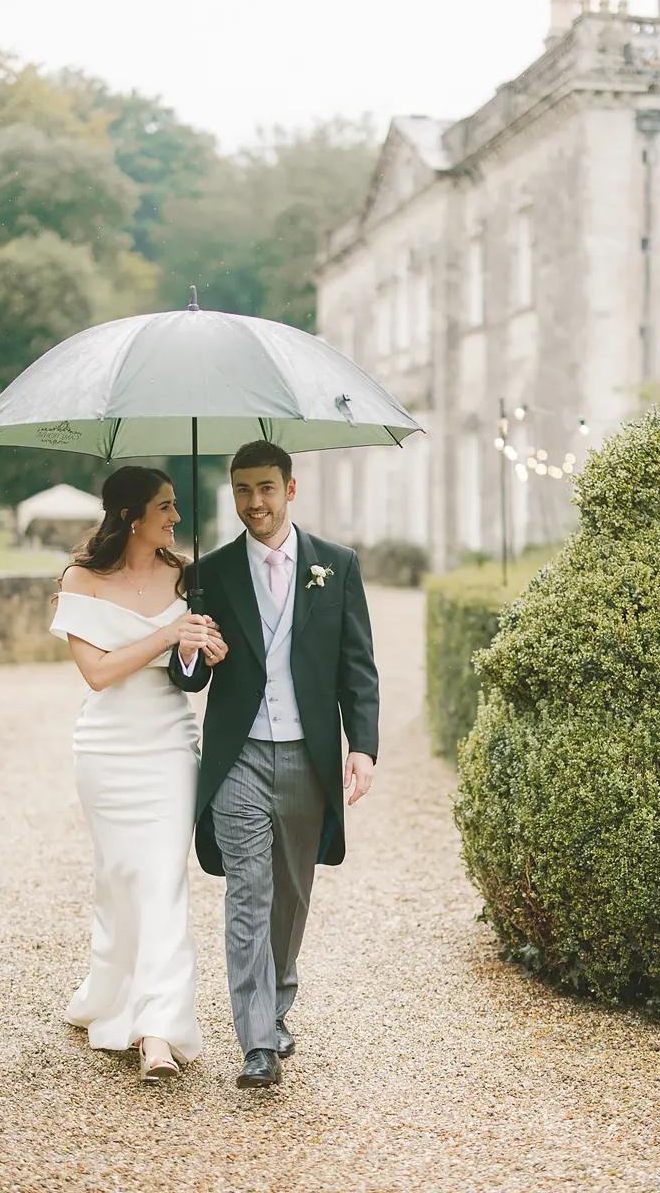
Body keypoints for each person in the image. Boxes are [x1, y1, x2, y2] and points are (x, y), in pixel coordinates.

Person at [168, 440, 379, 1089]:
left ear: (291, 488)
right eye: (241, 490)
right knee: (247, 894)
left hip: (308, 759)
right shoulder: (212, 570)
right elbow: (192, 680)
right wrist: (194, 650)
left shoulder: (336, 568)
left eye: (265, 488)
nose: (253, 502)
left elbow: (357, 668)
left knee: (291, 894)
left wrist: (363, 746)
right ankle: (256, 1040)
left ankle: (279, 1001)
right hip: (240, 757)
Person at [49, 466, 228, 1083]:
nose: (176, 517)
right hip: (106, 749)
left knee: (161, 881)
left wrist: (201, 649)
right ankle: (109, 992)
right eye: (165, 507)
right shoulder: (81, 580)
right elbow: (97, 673)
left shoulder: (186, 576)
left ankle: (158, 1030)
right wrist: (165, 635)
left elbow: (191, 675)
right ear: (130, 515)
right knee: (120, 878)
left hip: (169, 747)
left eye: (175, 507)